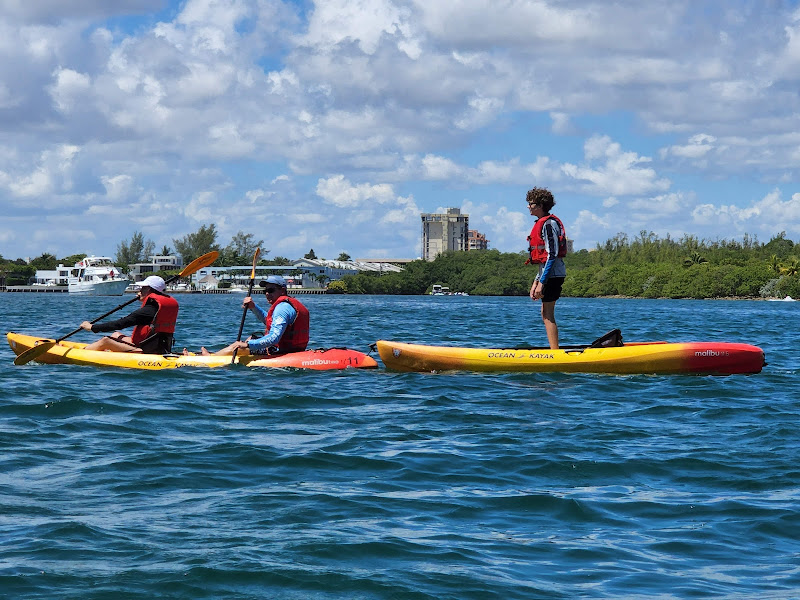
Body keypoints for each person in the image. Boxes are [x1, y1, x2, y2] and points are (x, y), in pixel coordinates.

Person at [197, 275, 309, 356]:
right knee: (251, 338)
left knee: (238, 345)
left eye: (271, 290)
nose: (267, 293)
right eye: (265, 290)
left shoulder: (282, 308)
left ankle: (212, 358)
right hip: (294, 348)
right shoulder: (287, 305)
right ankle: (219, 354)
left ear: (282, 290)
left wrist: (248, 345)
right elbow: (269, 321)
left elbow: (274, 338)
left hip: (281, 350)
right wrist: (253, 307)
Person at [80, 275, 179, 353]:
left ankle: (83, 352)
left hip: (145, 350)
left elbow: (120, 323)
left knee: (106, 340)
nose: (139, 291)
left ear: (148, 290)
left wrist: (92, 327)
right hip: (158, 347)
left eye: (142, 288)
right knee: (116, 335)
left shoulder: (147, 311)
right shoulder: (158, 308)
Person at [526, 187, 567, 349]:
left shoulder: (549, 224)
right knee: (545, 313)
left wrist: (542, 282)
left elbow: (552, 254)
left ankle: (555, 353)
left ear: (540, 205)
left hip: (553, 276)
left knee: (547, 314)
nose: (528, 207)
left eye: (531, 204)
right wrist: (536, 282)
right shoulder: (543, 223)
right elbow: (543, 260)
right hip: (547, 275)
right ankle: (553, 350)